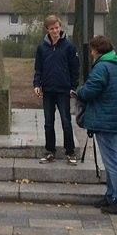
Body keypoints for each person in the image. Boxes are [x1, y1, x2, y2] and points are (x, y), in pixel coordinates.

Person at [76, 35, 117, 215]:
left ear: (96, 50)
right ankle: (111, 196)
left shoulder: (102, 68)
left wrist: (79, 92)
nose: (91, 53)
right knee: (111, 162)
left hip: (107, 123)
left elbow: (90, 91)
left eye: (92, 50)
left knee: (114, 163)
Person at [33, 15, 80, 165]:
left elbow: (75, 69)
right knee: (48, 122)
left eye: (57, 27)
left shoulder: (69, 46)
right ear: (47, 30)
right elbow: (38, 69)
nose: (55, 31)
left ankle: (70, 152)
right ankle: (50, 152)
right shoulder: (42, 47)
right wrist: (36, 84)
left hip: (63, 91)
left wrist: (73, 87)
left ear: (60, 27)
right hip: (48, 90)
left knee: (66, 121)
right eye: (52, 28)